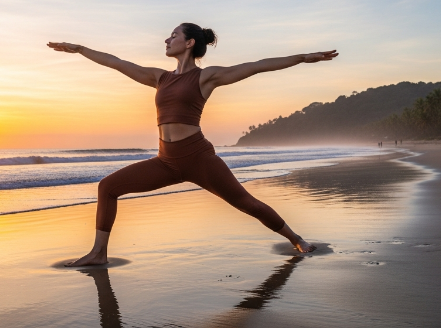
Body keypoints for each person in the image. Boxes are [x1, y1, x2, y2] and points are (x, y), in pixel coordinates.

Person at [48, 23, 338, 266]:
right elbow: (118, 63)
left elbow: (256, 66)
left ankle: (297, 240)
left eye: (173, 35)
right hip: (165, 160)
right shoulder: (159, 78)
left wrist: (302, 57)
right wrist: (80, 49)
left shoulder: (206, 76)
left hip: (198, 158)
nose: (166, 39)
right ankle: (99, 253)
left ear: (188, 43)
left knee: (246, 203)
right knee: (107, 187)